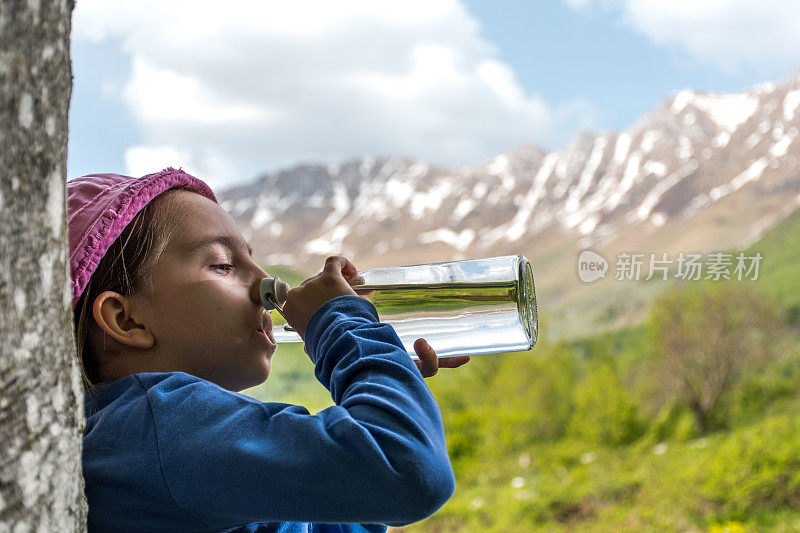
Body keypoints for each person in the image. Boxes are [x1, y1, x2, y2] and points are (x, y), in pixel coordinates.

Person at [69, 167, 469, 532]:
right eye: (223, 265)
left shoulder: (143, 439)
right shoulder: (161, 426)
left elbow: (334, 518)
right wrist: (346, 329)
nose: (270, 286)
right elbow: (408, 471)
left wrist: (381, 376)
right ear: (126, 320)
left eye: (255, 263)